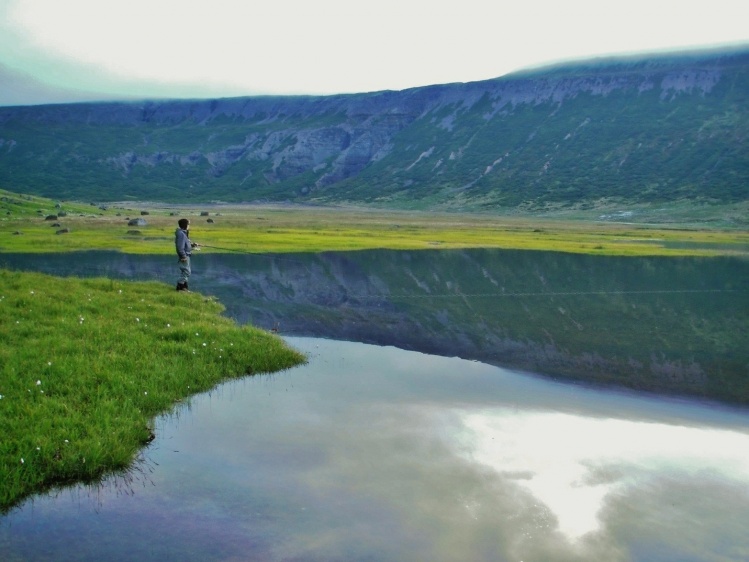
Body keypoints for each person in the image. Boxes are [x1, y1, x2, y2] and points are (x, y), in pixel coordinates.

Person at [175, 218, 199, 291]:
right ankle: (180, 286)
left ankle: (184, 288)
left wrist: (192, 245)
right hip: (185, 256)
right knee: (187, 272)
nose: (189, 226)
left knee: (185, 271)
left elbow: (185, 245)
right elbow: (180, 247)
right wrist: (183, 256)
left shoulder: (183, 233)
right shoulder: (181, 234)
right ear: (185, 224)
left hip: (186, 255)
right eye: (188, 224)